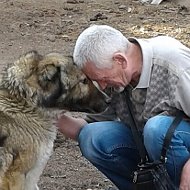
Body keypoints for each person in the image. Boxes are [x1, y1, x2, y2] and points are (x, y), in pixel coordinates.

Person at [56, 24, 190, 190]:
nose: (103, 86)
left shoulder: (174, 65)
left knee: (157, 130)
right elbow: (88, 128)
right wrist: (49, 114)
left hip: (179, 146)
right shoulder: (117, 76)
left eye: (103, 79)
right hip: (152, 147)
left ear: (120, 60)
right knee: (93, 137)